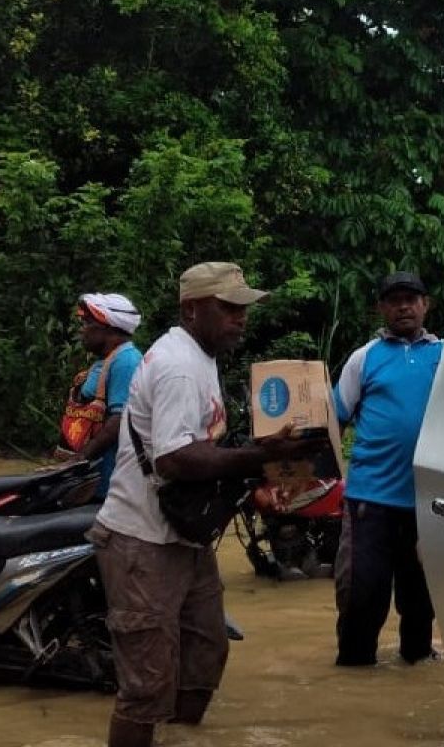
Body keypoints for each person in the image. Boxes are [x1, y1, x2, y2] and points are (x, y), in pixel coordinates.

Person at [88, 262, 325, 747]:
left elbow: (205, 448)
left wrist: (261, 476)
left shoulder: (201, 357)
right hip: (142, 541)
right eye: (229, 308)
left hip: (183, 536)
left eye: (243, 308)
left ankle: (182, 739)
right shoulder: (177, 366)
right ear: (192, 309)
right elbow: (175, 459)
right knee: (146, 686)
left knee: (206, 652)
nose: (241, 318)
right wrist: (261, 456)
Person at [332, 271, 444, 668]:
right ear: (381, 307)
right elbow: (335, 420)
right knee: (363, 595)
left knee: (421, 601)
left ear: (425, 304)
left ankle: (416, 660)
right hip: (370, 499)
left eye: (411, 299)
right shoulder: (364, 358)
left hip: (428, 501)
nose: (403, 307)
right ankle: (353, 671)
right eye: (394, 300)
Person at [68, 293, 144, 499]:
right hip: (94, 476)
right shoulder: (105, 361)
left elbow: (118, 420)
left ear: (108, 327)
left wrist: (80, 459)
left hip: (112, 480)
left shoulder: (126, 362)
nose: (82, 329)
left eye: (87, 322)